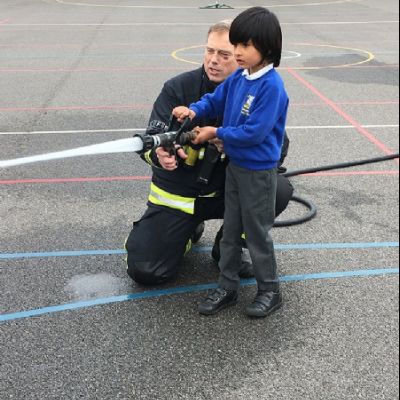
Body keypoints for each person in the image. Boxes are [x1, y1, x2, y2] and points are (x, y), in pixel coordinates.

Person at [125, 19, 293, 286]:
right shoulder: (177, 88)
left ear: (242, 56)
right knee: (146, 271)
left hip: (229, 190)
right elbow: (151, 138)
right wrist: (160, 155)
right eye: (209, 51)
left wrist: (227, 141)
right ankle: (188, 231)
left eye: (224, 54)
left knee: (278, 189)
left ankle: (227, 247)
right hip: (179, 196)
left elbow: (278, 145)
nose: (214, 60)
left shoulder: (260, 89)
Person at [173, 7, 288, 317]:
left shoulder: (271, 87)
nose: (236, 52)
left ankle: (269, 290)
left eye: (244, 46)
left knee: (255, 233)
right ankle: (227, 286)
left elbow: (255, 132)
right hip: (236, 169)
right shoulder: (240, 77)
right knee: (232, 230)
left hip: (258, 173)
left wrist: (216, 131)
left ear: (266, 48)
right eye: (236, 45)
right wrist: (194, 110)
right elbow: (215, 99)